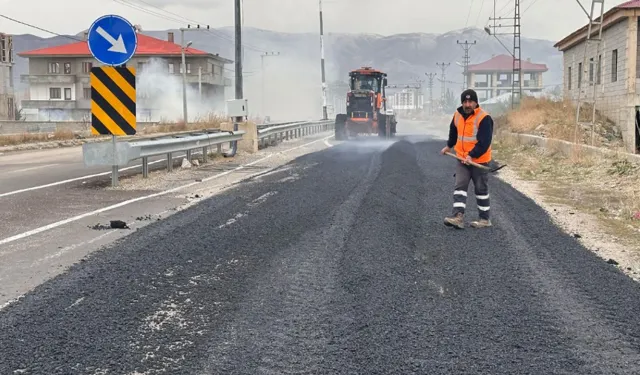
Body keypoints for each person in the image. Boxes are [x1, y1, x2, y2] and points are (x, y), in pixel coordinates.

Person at [440, 88, 493, 229]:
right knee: (460, 186)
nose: (468, 104)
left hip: (479, 161)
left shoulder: (484, 118)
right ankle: (458, 217)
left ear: (476, 103)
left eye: (471, 101)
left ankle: (484, 219)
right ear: (462, 103)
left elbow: (484, 142)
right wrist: (449, 146)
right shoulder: (457, 115)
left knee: (481, 189)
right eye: (465, 101)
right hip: (462, 159)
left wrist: (472, 155)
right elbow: (453, 132)